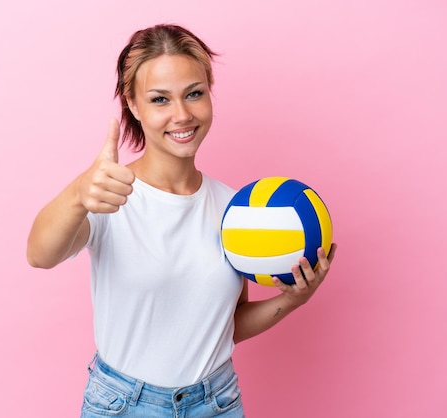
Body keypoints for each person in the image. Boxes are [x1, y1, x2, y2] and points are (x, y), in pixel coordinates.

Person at [27, 24, 336, 418]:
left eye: (194, 93)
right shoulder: (107, 193)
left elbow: (227, 327)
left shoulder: (235, 209)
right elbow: (39, 254)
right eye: (160, 99)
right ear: (134, 106)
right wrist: (77, 194)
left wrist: (292, 300)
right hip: (124, 406)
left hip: (217, 402)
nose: (182, 114)